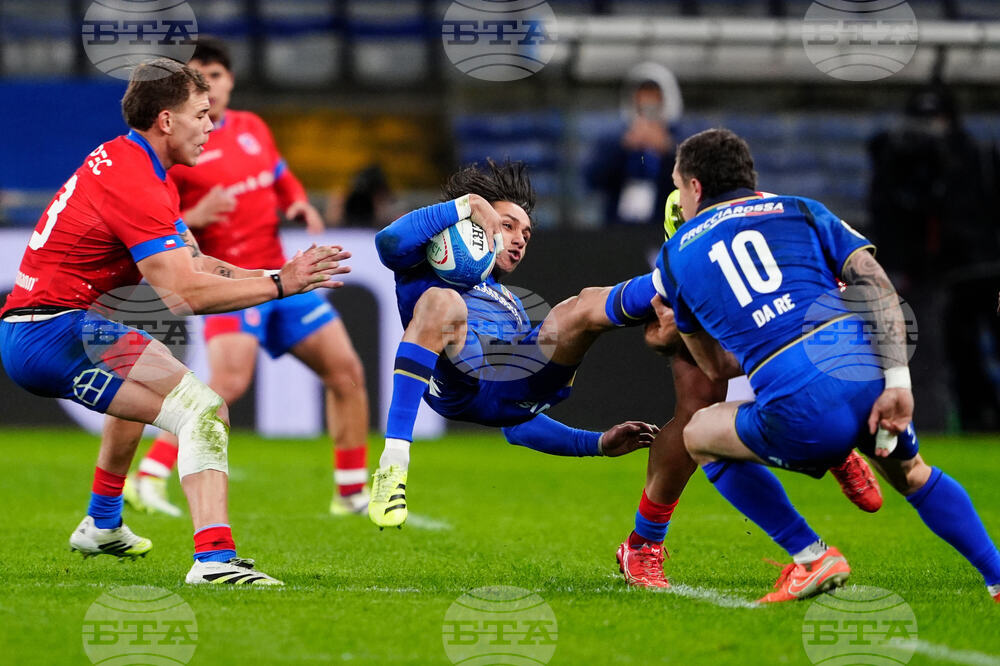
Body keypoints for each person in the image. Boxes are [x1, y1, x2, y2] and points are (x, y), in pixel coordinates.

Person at [0, 59, 349, 585]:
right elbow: (183, 293)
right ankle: (213, 561)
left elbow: (198, 264)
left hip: (55, 326)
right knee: (204, 409)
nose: (212, 126)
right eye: (202, 115)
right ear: (166, 121)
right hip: (53, 332)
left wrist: (281, 272)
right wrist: (280, 286)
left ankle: (102, 521)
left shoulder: (136, 165)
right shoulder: (136, 181)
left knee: (155, 372)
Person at [654, 128, 1000, 602]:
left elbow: (716, 371)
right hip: (863, 373)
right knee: (913, 472)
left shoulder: (675, 256)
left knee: (699, 435)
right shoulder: (800, 207)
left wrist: (677, 332)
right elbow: (874, 283)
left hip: (800, 404)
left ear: (694, 187)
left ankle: (810, 556)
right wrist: (899, 380)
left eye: (679, 185)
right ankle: (997, 575)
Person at [112, 38, 371, 518]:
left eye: (216, 74)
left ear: (229, 80)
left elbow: (279, 174)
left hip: (283, 276)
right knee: (226, 385)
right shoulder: (180, 146)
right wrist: (200, 212)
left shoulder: (252, 127)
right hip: (233, 284)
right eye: (199, 76)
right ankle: (149, 475)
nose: (209, 83)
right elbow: (158, 216)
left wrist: (294, 200)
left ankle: (351, 492)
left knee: (347, 372)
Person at [369, 159, 662, 528]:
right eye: (507, 225)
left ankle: (670, 282)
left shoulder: (511, 304)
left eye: (526, 233)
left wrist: (598, 443)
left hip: (510, 377)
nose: (520, 238)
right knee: (443, 303)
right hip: (456, 377)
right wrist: (465, 205)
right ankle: (393, 465)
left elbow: (516, 422)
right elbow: (387, 242)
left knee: (578, 307)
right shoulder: (426, 266)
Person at [616, 190, 883, 589]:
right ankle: (643, 544)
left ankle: (837, 450)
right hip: (723, 330)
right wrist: (665, 335)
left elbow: (852, 271)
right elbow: (649, 321)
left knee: (811, 366)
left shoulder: (781, 214)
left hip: (785, 319)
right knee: (695, 412)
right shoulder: (683, 253)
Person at [585, 62, 682, 226]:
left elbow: (693, 181)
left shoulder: (681, 139)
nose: (648, 103)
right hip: (619, 227)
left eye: (654, 96)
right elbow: (592, 179)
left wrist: (667, 149)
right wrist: (624, 147)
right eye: (643, 95)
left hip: (664, 225)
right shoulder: (615, 139)